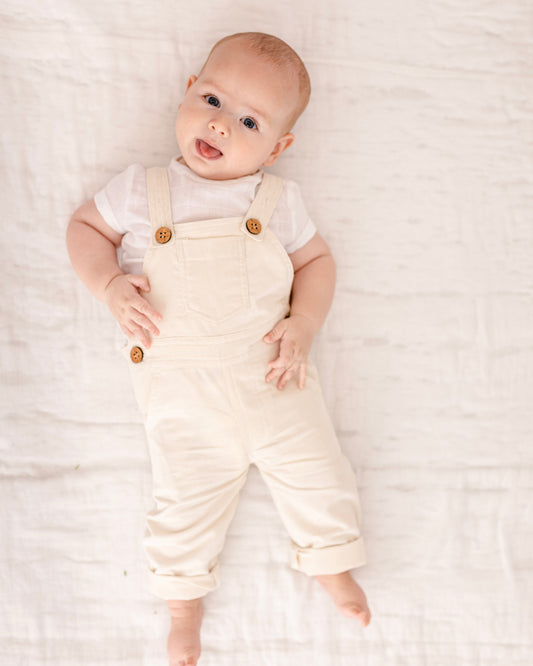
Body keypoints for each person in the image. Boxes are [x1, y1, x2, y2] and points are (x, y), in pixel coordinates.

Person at [67, 31, 371, 666]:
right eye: (212, 100)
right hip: (184, 397)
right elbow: (85, 227)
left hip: (274, 375)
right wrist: (110, 284)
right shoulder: (142, 191)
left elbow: (317, 262)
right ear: (187, 92)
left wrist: (305, 322)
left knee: (320, 473)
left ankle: (331, 562)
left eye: (250, 122)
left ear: (278, 147)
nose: (221, 125)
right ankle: (183, 606)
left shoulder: (276, 202)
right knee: (181, 505)